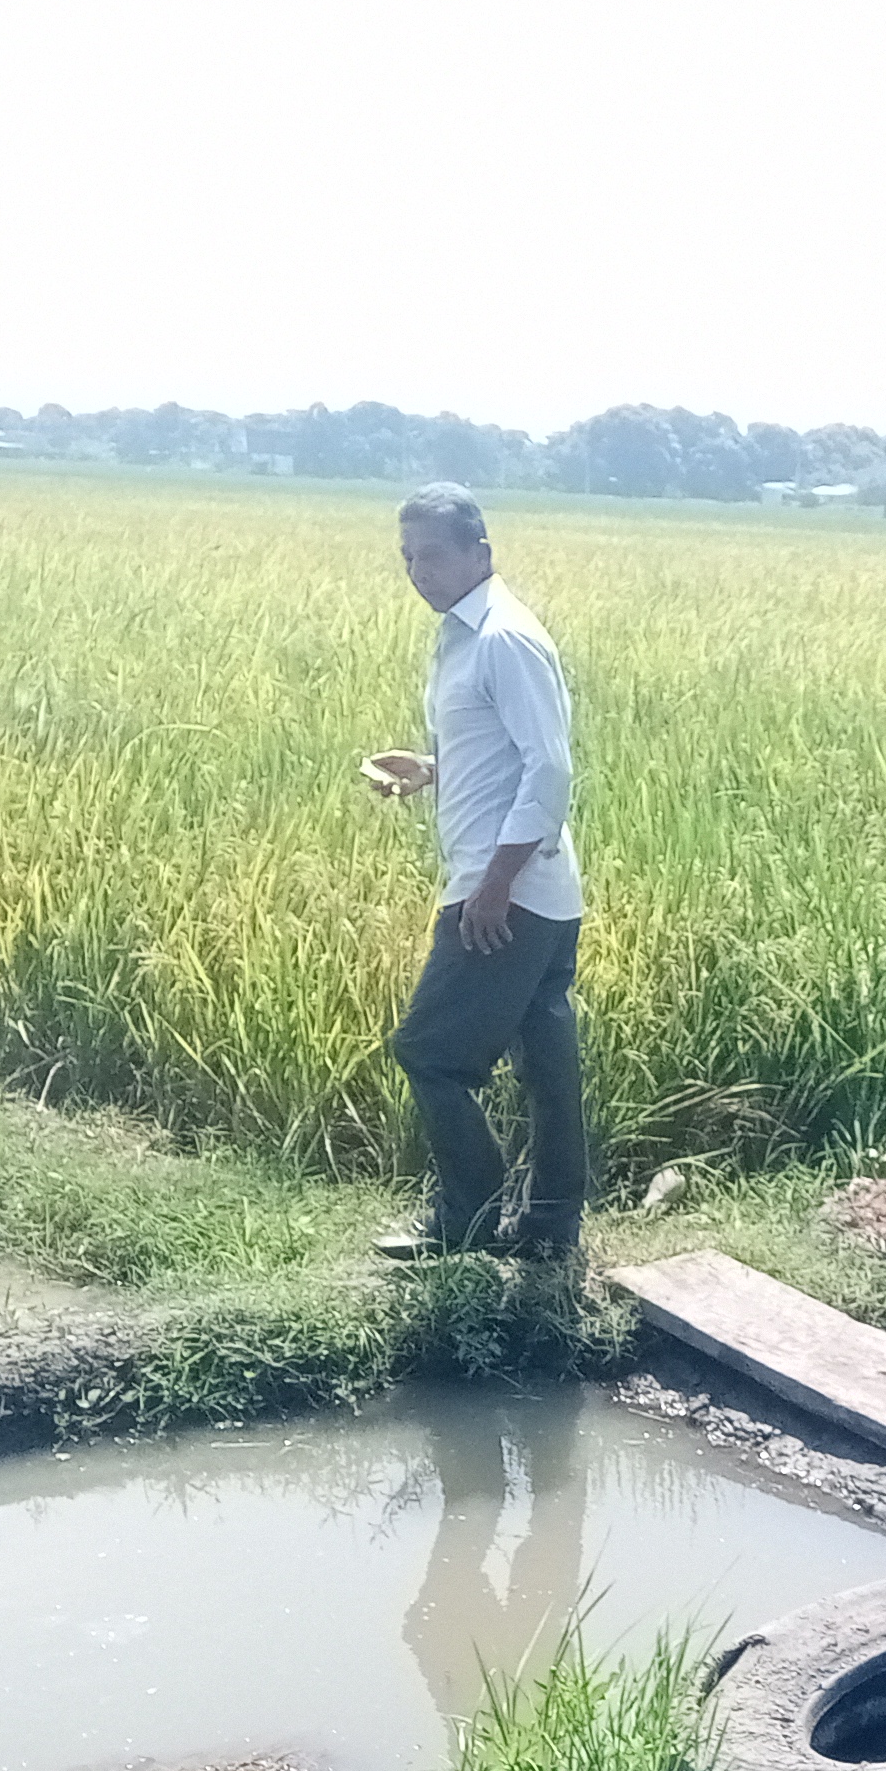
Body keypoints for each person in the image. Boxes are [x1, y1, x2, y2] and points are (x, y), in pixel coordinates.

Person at [364, 482, 589, 1260]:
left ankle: (466, 1219)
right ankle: (550, 1227)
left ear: (480, 553)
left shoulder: (503, 637)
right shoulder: (464, 635)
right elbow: (506, 755)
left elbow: (549, 770)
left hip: (507, 892)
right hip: (539, 891)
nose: (418, 571)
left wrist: (495, 887)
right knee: (545, 1062)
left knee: (429, 1053)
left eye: (432, 554)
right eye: (407, 557)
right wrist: (434, 769)